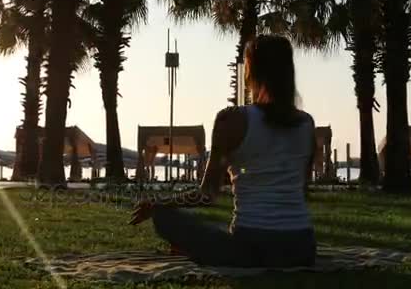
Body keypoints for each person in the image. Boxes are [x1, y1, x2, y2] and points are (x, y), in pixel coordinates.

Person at [129, 35, 317, 268]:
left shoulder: (232, 119)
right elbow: (301, 187)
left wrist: (158, 204)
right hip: (302, 247)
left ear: (252, 71)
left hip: (252, 249)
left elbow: (206, 194)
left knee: (165, 218)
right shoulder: (307, 123)